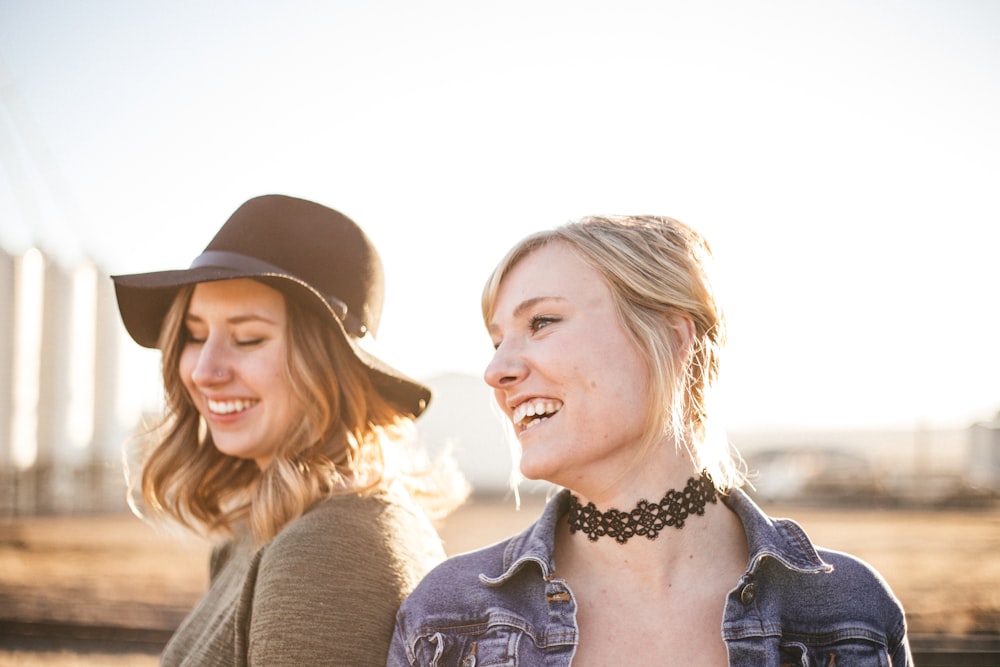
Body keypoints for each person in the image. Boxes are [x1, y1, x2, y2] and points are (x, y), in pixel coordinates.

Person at [388, 215, 912, 666]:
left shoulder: (849, 612)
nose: (496, 370)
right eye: (498, 341)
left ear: (672, 337)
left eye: (542, 322)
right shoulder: (446, 618)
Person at [112, 194, 467, 666]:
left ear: (330, 365)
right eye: (195, 335)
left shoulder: (328, 552)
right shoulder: (264, 529)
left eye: (248, 338)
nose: (204, 370)